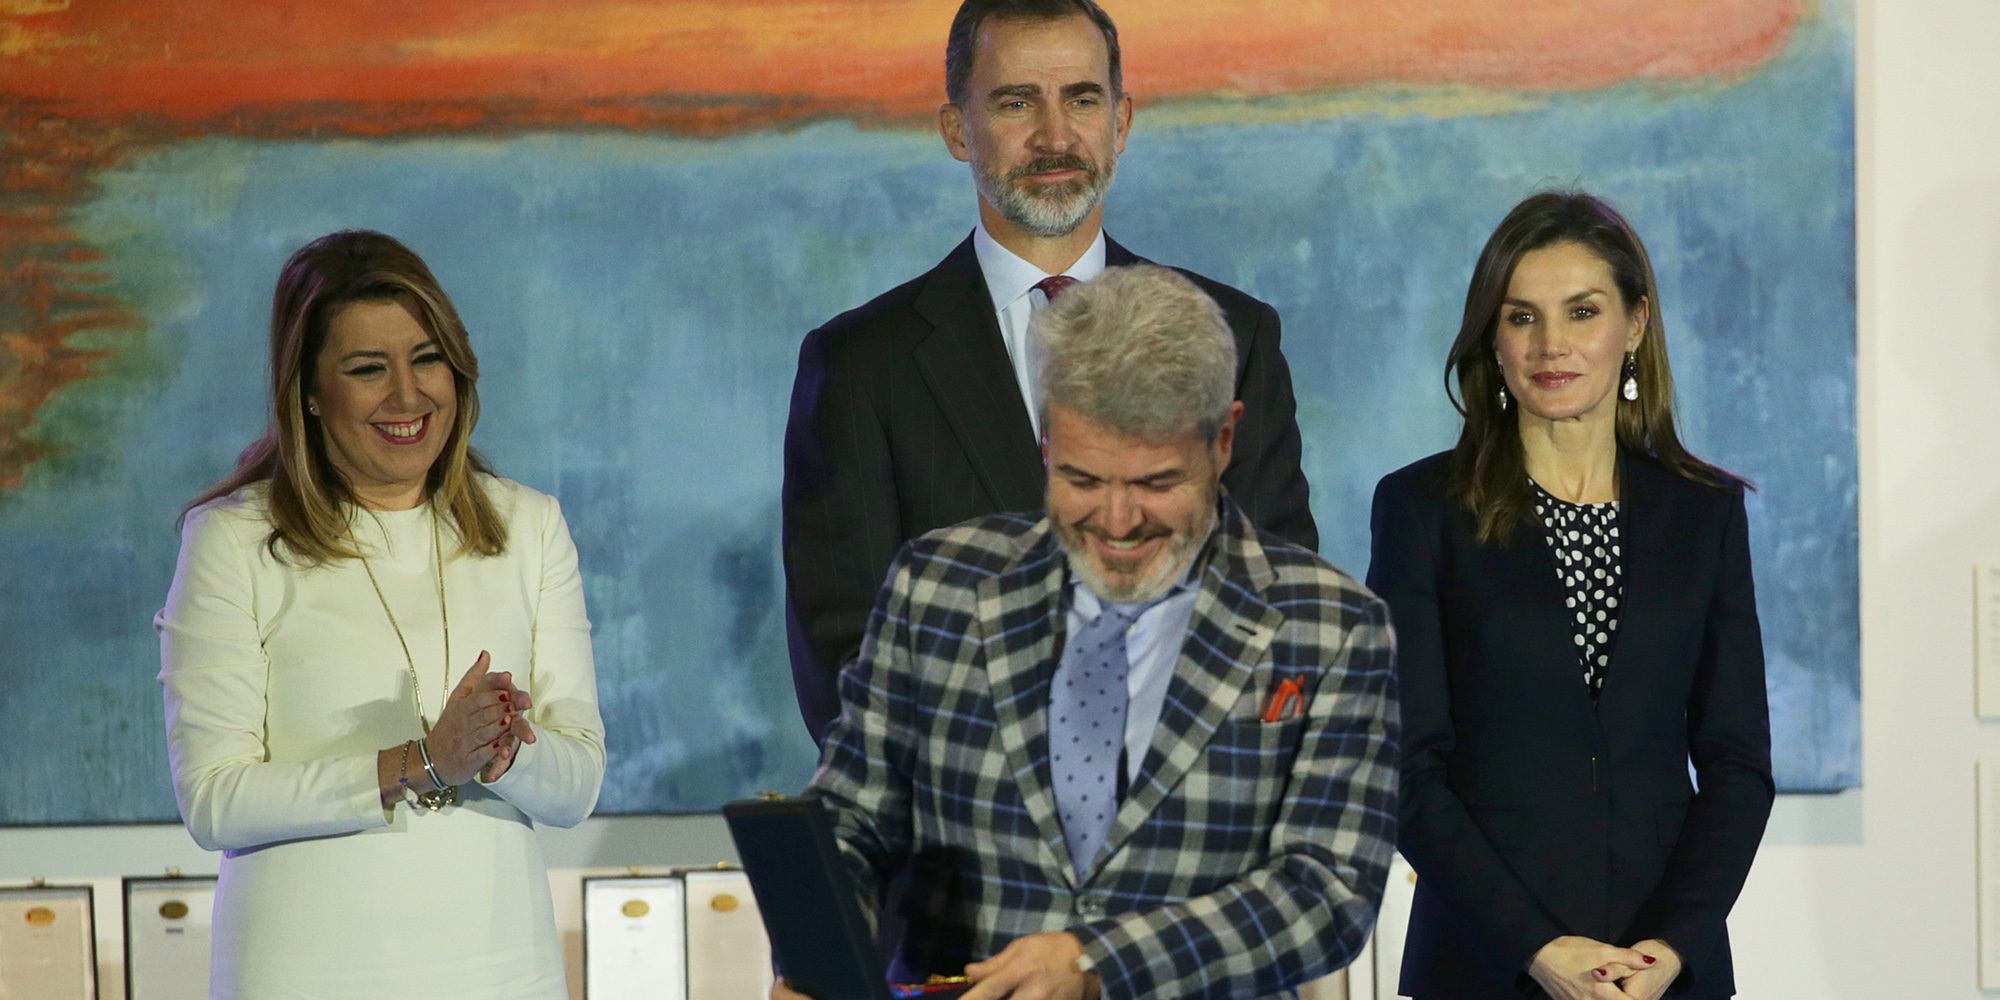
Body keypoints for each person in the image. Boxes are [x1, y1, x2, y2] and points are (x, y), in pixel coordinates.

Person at [780, 264, 1396, 1000]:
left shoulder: (1331, 630)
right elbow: (852, 816)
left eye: (1155, 484)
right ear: (1047, 442)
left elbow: (1327, 893)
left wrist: (1099, 961)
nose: (1116, 521)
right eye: (1082, 479)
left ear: (1224, 440)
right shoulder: (936, 588)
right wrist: (814, 962)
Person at [782, 0, 1319, 745]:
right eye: (1015, 102)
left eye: (1082, 98)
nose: (1055, 135)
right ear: (955, 130)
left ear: (1121, 122)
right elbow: (849, 667)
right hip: (968, 845)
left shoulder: (1237, 338)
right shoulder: (862, 368)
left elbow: (1279, 620)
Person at [155, 230, 606, 999]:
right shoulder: (234, 540)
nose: (407, 395)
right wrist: (421, 763)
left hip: (502, 968)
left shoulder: (529, 525)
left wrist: (504, 751)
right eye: (368, 369)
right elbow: (214, 800)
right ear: (308, 391)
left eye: (426, 359)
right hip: (304, 972)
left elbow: (579, 782)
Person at [1367, 192, 1773, 1000]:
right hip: (1485, 966)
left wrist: (1672, 945)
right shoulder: (1421, 510)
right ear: (1493, 336)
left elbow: (1737, 765)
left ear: (1635, 325)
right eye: (1521, 318)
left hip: (1664, 975)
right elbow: (1404, 768)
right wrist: (1539, 949)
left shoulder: (1705, 514)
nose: (1550, 345)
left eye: (1581, 312)